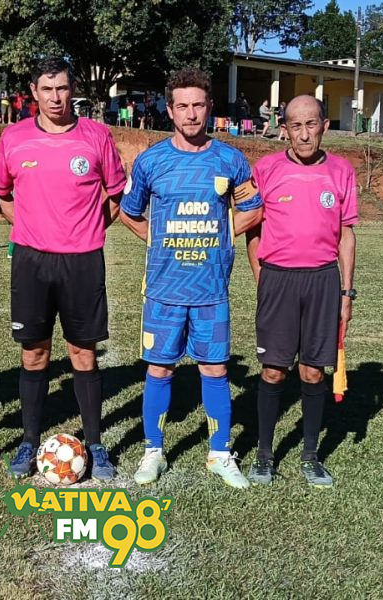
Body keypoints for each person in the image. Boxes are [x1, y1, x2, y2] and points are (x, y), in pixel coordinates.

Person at [120, 68, 264, 489]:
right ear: (169, 110)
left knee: (215, 369)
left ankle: (220, 452)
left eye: (198, 104)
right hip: (164, 288)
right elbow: (129, 212)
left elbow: (253, 208)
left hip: (210, 289)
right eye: (182, 105)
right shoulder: (151, 161)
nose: (191, 113)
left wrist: (222, 236)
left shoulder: (230, 159)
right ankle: (153, 451)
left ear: (209, 107)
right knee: (160, 370)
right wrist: (158, 240)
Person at [0, 57, 127, 481]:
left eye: (63, 88)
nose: (55, 98)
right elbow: (2, 194)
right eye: (47, 89)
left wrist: (87, 230)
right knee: (34, 352)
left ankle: (95, 443)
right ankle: (29, 440)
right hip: (31, 261)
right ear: (34, 92)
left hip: (82, 260)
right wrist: (29, 228)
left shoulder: (96, 136)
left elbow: (116, 195)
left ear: (73, 90)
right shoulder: (13, 138)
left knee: (82, 353)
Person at [244, 95, 358, 487]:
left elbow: (346, 234)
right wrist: (263, 278)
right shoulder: (266, 169)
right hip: (278, 279)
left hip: (323, 280)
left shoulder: (341, 171)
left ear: (325, 126)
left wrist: (346, 293)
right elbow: (252, 229)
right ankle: (264, 456)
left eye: (311, 124)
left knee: (312, 371)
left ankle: (310, 456)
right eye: (296, 125)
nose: (304, 134)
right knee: (274, 370)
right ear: (285, 130)